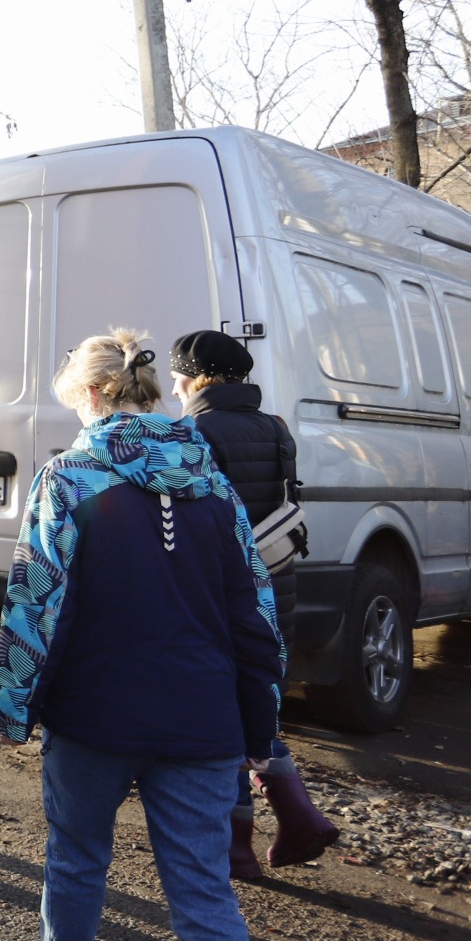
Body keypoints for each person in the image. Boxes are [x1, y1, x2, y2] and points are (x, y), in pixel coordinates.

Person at [0, 328, 291, 941]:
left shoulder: (72, 476)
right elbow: (256, 610)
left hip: (96, 714)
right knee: (203, 896)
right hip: (202, 719)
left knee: (78, 854)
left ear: (92, 397)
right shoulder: (211, 481)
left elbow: (34, 603)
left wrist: (13, 704)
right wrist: (260, 721)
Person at [171, 330, 341, 880]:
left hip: (217, 595)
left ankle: (235, 850)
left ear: (198, 377)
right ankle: (299, 817)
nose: (174, 388)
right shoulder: (275, 429)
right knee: (255, 706)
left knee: (220, 720)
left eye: (178, 377)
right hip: (274, 589)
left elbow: (193, 526)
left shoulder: (192, 433)